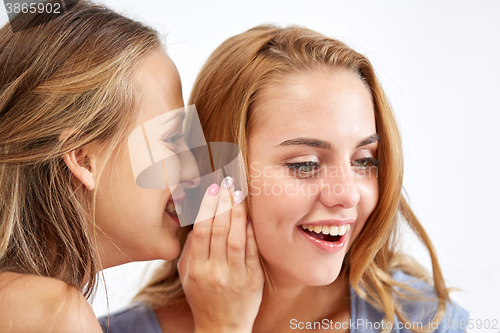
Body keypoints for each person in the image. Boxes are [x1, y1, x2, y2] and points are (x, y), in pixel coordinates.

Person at [104, 25, 469, 332]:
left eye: (364, 160)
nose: (347, 196)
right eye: (307, 164)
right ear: (212, 173)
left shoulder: (421, 320)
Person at [0, 2, 263, 332]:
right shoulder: (53, 315)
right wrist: (223, 324)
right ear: (83, 159)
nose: (197, 168)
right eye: (173, 139)